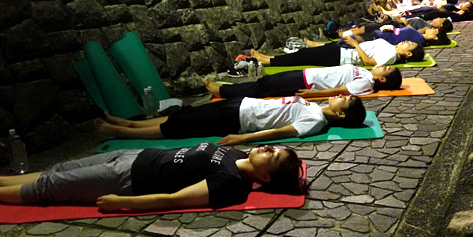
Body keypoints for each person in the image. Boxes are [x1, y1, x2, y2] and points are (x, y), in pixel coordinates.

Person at [0, 143, 303, 211]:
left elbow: (174, 200)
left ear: (265, 178)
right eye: (274, 148)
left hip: (129, 180)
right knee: (60, 169)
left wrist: (123, 203)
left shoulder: (231, 184)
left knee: (51, 187)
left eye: (272, 156)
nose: (267, 148)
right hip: (136, 155)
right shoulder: (238, 154)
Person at [93, 93, 366, 146]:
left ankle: (122, 132)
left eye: (345, 100)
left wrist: (242, 138)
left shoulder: (316, 122)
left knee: (177, 127)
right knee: (181, 115)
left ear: (341, 114)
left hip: (237, 119)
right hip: (240, 105)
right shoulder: (316, 107)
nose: (341, 96)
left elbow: (282, 132)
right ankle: (128, 123)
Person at [205, 64, 403, 100]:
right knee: (266, 82)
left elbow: (342, 90)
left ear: (382, 79)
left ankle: (222, 91)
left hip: (307, 83)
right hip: (307, 75)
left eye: (385, 68)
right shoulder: (367, 73)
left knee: (264, 87)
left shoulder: (367, 83)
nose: (382, 65)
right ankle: (226, 88)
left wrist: (312, 94)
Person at [251, 37, 425, 68]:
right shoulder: (392, 48)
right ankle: (270, 58)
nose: (406, 41)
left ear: (408, 54)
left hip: (343, 57)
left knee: (303, 56)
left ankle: (268, 61)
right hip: (343, 50)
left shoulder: (392, 56)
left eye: (409, 44)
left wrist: (355, 44)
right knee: (303, 54)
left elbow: (368, 62)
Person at [404, 2, 473, 23]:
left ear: (467, 9)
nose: (462, 4)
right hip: (436, 11)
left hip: (437, 15)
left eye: (465, 5)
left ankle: (406, 17)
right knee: (425, 9)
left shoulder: (464, 14)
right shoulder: (454, 8)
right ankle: (408, 13)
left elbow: (471, 16)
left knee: (423, 15)